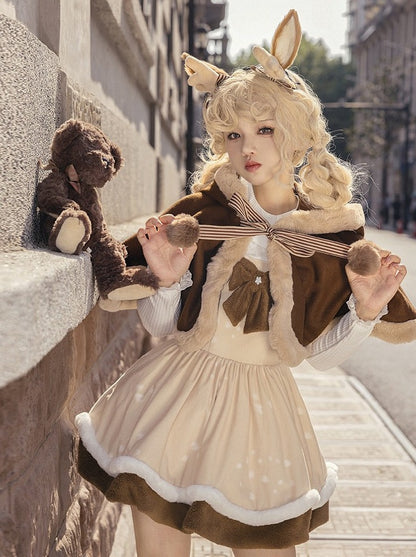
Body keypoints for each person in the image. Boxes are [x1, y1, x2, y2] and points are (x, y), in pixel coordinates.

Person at [75, 10, 416, 557]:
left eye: (264, 129)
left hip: (263, 412)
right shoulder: (202, 214)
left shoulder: (329, 238)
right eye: (233, 133)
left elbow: (319, 358)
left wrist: (366, 313)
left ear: (299, 136)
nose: (247, 147)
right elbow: (166, 327)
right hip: (177, 393)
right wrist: (164, 280)